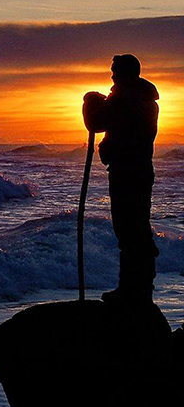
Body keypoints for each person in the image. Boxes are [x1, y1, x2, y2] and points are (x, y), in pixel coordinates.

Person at [82, 54, 159, 305]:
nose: (112, 75)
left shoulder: (125, 98)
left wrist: (89, 101)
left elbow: (96, 122)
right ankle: (140, 289)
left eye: (115, 71)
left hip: (126, 172)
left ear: (126, 73)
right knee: (138, 230)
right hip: (140, 170)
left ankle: (131, 291)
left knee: (128, 232)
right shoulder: (144, 99)